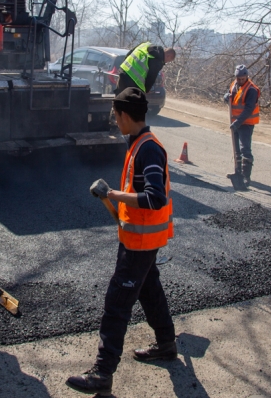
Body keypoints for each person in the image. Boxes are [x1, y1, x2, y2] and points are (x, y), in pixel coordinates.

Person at [66, 88, 176, 396]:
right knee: (149, 288)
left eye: (116, 116)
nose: (115, 122)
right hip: (138, 238)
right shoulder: (139, 143)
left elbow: (155, 198)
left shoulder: (149, 150)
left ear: (125, 115)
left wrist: (113, 195)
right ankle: (166, 343)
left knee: (117, 303)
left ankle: (102, 373)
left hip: (141, 242)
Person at [224, 64, 260, 189]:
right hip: (236, 122)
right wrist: (226, 97)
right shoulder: (234, 85)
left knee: (245, 150)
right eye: (238, 79)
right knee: (236, 150)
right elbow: (230, 96)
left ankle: (246, 177)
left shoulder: (251, 90)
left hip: (246, 123)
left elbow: (248, 109)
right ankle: (237, 172)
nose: (240, 81)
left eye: (242, 79)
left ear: (247, 77)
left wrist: (238, 122)